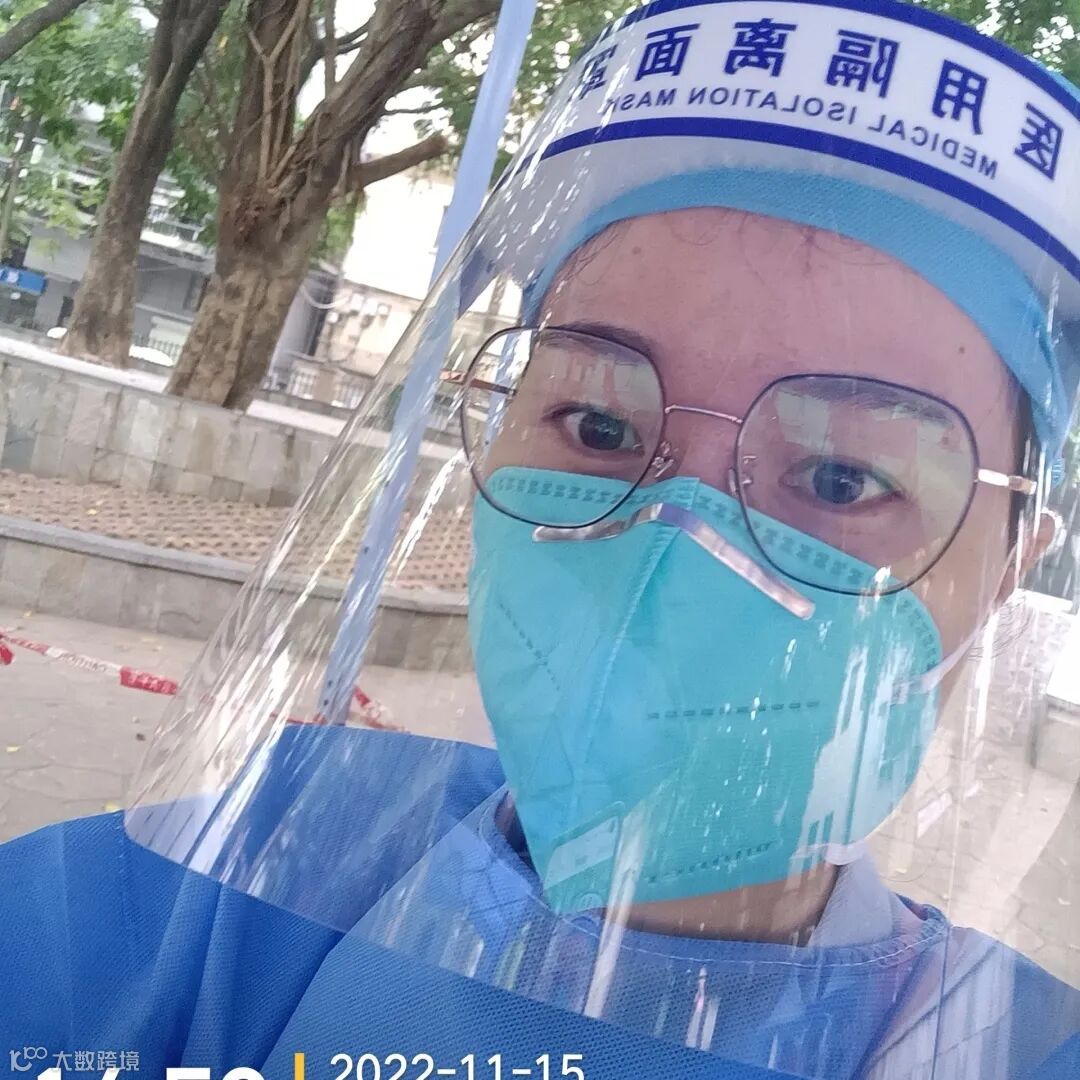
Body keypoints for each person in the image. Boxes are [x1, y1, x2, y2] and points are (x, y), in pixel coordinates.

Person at [1, 1, 1078, 1076]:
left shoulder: (1000, 1052)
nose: (670, 553)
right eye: (598, 425)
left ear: (1006, 571)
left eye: (842, 479)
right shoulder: (204, 897)